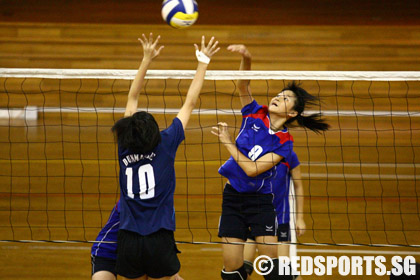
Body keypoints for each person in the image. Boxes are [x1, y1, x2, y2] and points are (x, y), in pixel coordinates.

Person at [211, 44, 329, 280]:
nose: (278, 97)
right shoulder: (254, 112)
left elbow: (252, 169)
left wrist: (227, 142)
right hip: (233, 198)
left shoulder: (285, 142)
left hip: (261, 203)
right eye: (279, 94)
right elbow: (242, 84)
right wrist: (247, 58)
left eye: (285, 99)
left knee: (272, 268)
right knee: (233, 270)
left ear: (292, 114)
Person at [112, 33, 219, 280]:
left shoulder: (123, 145)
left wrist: (146, 59)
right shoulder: (167, 142)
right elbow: (190, 103)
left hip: (128, 236)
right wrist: (203, 61)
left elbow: (132, 97)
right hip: (159, 237)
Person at [243, 151, 305, 279]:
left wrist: (300, 218)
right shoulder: (252, 151)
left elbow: (298, 186)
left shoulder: (289, 155)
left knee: (279, 271)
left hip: (279, 220)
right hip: (252, 217)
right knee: (240, 271)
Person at [90, 201, 184, 280]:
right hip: (107, 251)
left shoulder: (165, 206)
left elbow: (164, 238)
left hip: (134, 253)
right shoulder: (129, 202)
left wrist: (172, 270)